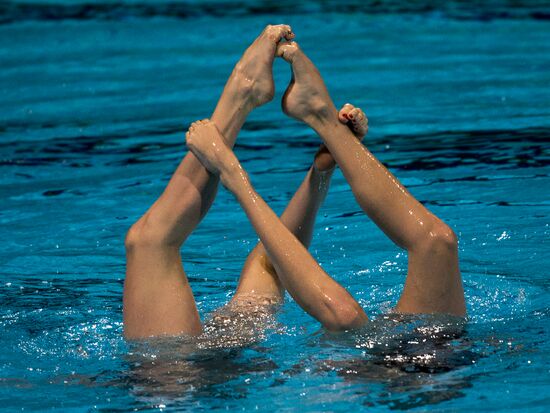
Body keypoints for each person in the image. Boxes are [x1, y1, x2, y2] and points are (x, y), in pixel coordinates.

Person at [123, 25, 466, 339]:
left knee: (149, 242)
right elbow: (277, 261)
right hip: (417, 355)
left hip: (178, 380)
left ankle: (241, 97)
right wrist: (321, 173)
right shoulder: (426, 351)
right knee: (438, 243)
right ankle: (321, 120)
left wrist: (234, 176)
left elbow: (342, 315)